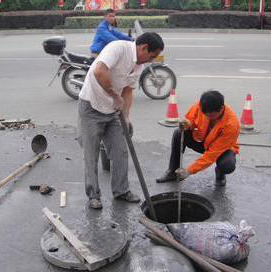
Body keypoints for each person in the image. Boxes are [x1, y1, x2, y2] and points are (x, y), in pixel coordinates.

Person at [78, 32, 164, 209]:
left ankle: (121, 191)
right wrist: (114, 95)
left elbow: (127, 90)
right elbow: (99, 71)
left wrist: (126, 116)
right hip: (91, 105)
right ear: (143, 48)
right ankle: (93, 195)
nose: (151, 60)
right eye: (152, 56)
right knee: (91, 154)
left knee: (120, 151)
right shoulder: (118, 48)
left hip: (112, 111)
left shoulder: (139, 65)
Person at [156, 90, 240, 186]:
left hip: (222, 150)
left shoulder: (231, 124)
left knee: (227, 165)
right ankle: (172, 172)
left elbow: (212, 154)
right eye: (206, 115)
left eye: (212, 115)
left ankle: (220, 173)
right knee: (179, 133)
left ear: (221, 108)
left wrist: (189, 171)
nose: (208, 117)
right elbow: (191, 119)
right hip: (204, 142)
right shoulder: (200, 105)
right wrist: (188, 124)